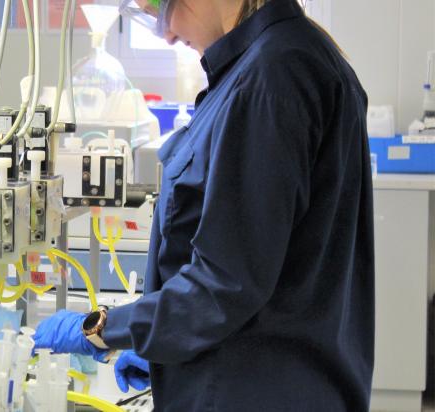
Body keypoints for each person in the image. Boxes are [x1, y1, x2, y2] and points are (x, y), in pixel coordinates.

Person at [34, 0, 375, 410]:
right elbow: (275, 267)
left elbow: (224, 285)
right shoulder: (288, 59)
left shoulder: (271, 77)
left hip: (253, 390)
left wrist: (102, 328)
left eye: (159, 11)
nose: (167, 34)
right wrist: (161, 346)